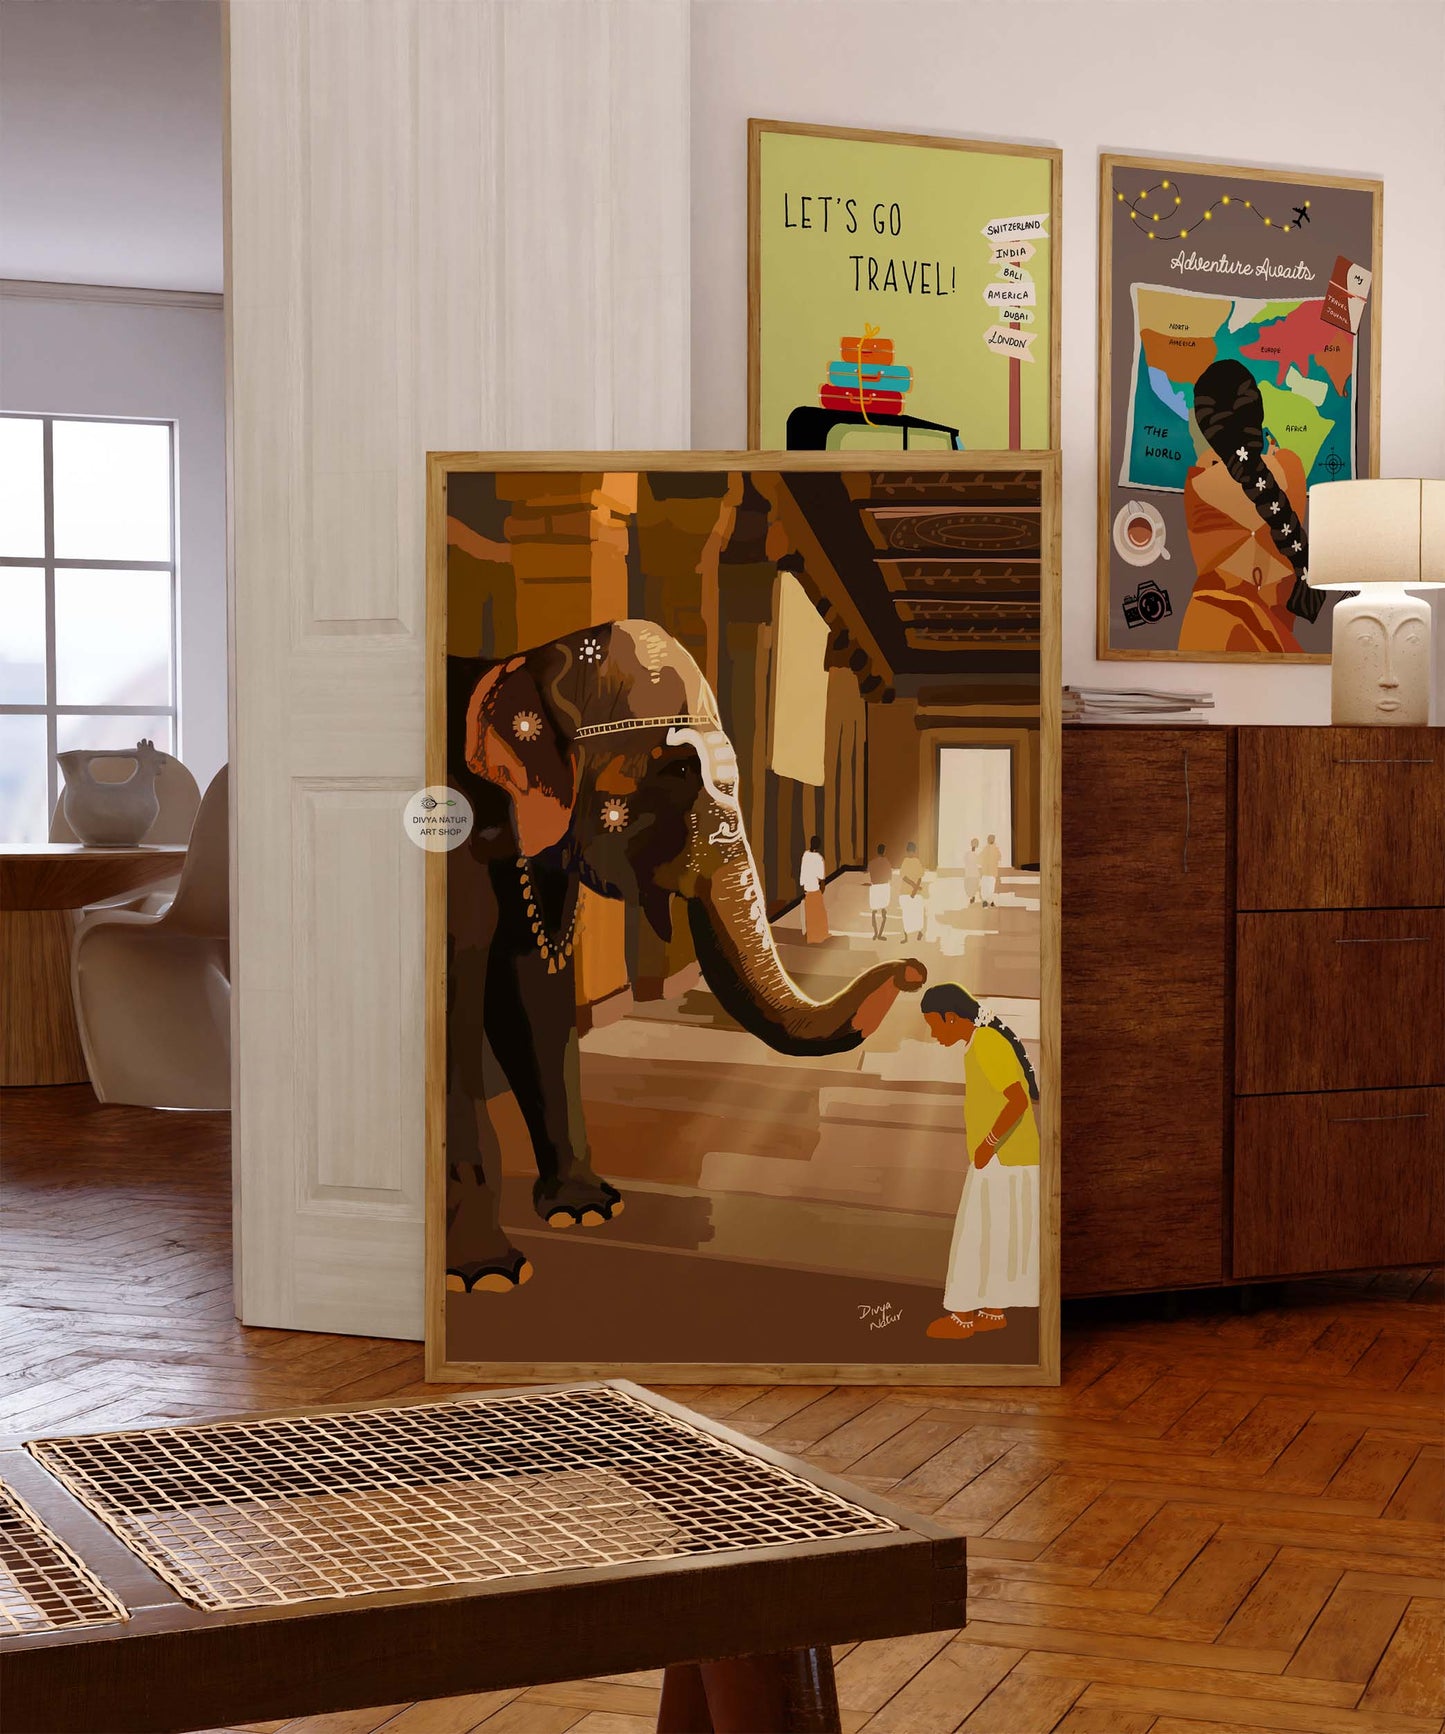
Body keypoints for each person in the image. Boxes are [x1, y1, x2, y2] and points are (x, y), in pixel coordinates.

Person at [921, 982, 1039, 1340]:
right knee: (998, 1233)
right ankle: (992, 1310)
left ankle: (962, 1317)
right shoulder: (981, 1043)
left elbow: (1017, 1100)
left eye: (934, 1024)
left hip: (1002, 1158)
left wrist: (987, 1145)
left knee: (977, 1233)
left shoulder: (986, 1044)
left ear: (952, 1018)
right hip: (1010, 1157)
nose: (932, 1034)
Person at [1176, 358, 1319, 655]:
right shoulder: (1291, 468)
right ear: (1259, 413)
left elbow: (1206, 555)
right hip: (1276, 634)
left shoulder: (1199, 483)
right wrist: (1274, 459)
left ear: (1206, 428)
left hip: (1209, 626)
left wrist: (1213, 462)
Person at [799, 834, 829, 944]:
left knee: (810, 915)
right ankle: (820, 936)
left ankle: (811, 937)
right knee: (819, 914)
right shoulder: (819, 858)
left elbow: (803, 872)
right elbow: (821, 877)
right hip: (815, 890)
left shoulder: (805, 855)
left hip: (807, 889)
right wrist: (822, 889)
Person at [898, 841, 926, 942]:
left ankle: (912, 935)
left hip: (907, 892)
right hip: (911, 893)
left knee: (908, 914)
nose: (910, 853)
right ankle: (913, 934)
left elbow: (905, 877)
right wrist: (915, 887)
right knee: (913, 913)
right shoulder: (916, 862)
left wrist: (914, 888)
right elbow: (918, 878)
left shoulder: (907, 861)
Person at [868, 842, 893, 940]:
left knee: (874, 912)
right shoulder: (887, 863)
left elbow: (869, 874)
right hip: (884, 888)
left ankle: (875, 933)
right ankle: (880, 934)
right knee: (884, 914)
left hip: (875, 888)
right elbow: (889, 877)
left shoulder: (872, 862)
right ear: (884, 851)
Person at [978, 834, 1002, 906]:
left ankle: (986, 901)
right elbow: (999, 858)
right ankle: (990, 901)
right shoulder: (996, 849)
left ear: (988, 841)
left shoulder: (985, 849)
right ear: (994, 840)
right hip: (993, 872)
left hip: (985, 872)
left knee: (985, 887)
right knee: (991, 887)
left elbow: (979, 859)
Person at [962, 837, 982, 906]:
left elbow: (965, 862)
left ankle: (971, 899)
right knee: (972, 889)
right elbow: (979, 862)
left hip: (969, 874)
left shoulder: (967, 854)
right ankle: (972, 899)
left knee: (970, 889)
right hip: (973, 874)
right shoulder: (975, 854)